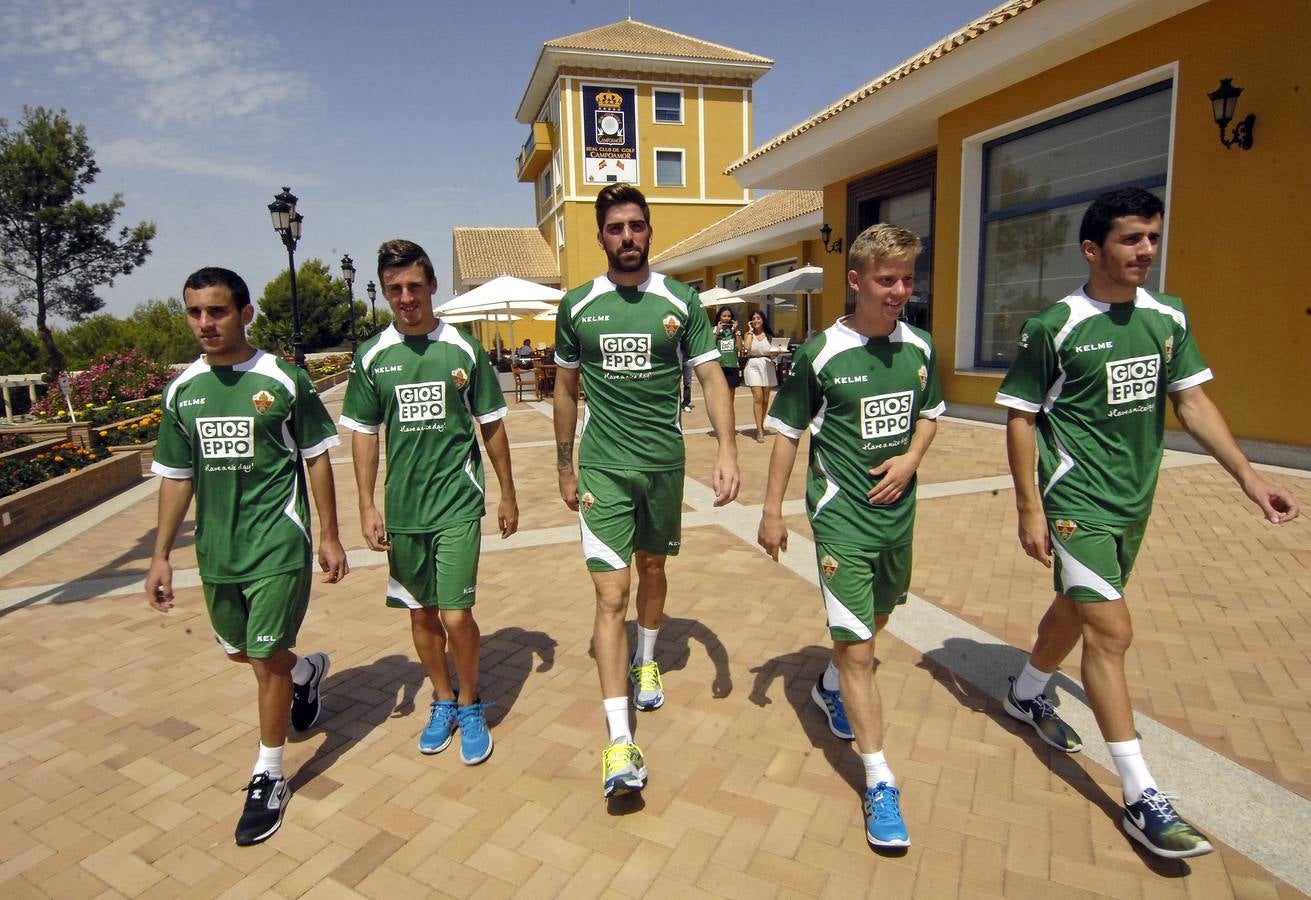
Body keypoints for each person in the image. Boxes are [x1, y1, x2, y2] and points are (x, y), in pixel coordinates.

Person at [996, 187, 1299, 859]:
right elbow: (1020, 415)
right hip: (1074, 500)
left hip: (1135, 499)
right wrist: (1028, 507)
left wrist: (1249, 478)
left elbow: (1191, 403)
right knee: (1111, 630)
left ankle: (1025, 691)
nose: (1146, 251)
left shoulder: (1167, 316)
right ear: (1091, 248)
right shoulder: (1055, 324)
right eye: (1131, 239)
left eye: (1152, 238)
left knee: (1076, 611)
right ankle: (1141, 796)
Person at [146, 267, 348, 847]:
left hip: (278, 544)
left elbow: (315, 456)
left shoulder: (283, 380)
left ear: (245, 313)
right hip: (216, 551)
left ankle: (269, 774)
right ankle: (306, 672)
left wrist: (329, 535)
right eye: (195, 313)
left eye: (217, 311)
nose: (206, 324)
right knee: (243, 651)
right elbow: (176, 475)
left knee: (262, 657)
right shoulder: (183, 390)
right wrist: (160, 555)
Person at [758, 224, 943, 849]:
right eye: (886, 280)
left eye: (907, 279)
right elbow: (786, 432)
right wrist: (773, 511)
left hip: (900, 519)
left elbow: (929, 416)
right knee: (861, 650)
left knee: (880, 618)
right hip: (841, 521)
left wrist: (912, 459)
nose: (899, 291)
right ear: (857, 281)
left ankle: (829, 682)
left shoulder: (920, 348)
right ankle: (880, 780)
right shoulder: (821, 354)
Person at [554, 184, 740, 798]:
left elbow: (712, 376)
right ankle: (617, 742)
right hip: (604, 468)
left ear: (649, 232)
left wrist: (727, 449)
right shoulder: (578, 306)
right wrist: (564, 464)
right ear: (601, 236)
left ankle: (649, 655)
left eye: (636, 226)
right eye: (615, 228)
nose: (627, 237)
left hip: (662, 466)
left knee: (652, 568)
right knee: (612, 594)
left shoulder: (681, 302)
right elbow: (564, 390)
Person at [340, 239, 518, 765]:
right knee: (421, 618)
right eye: (394, 289)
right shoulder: (372, 357)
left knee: (457, 617)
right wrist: (367, 506)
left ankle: (469, 702)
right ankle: (441, 699)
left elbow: (492, 425)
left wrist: (508, 493)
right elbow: (365, 434)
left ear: (432, 285)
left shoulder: (463, 350)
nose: (405, 297)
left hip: (458, 503)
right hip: (404, 512)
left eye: (415, 286)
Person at [742, 309, 779, 443]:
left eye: (758, 318)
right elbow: (746, 348)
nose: (756, 320)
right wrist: (750, 331)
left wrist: (777, 352)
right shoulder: (748, 334)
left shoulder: (769, 336)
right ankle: (759, 430)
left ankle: (761, 424)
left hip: (767, 365)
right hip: (753, 365)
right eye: (754, 318)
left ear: (763, 320)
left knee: (765, 400)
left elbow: (773, 354)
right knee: (758, 397)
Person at [712, 305, 742, 408]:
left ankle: (729, 414)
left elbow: (739, 348)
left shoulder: (734, 331)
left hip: (732, 365)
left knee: (731, 395)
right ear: (719, 317)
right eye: (724, 316)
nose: (726, 318)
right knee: (719, 394)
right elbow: (710, 346)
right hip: (719, 366)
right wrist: (717, 332)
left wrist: (737, 331)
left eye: (728, 316)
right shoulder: (714, 329)